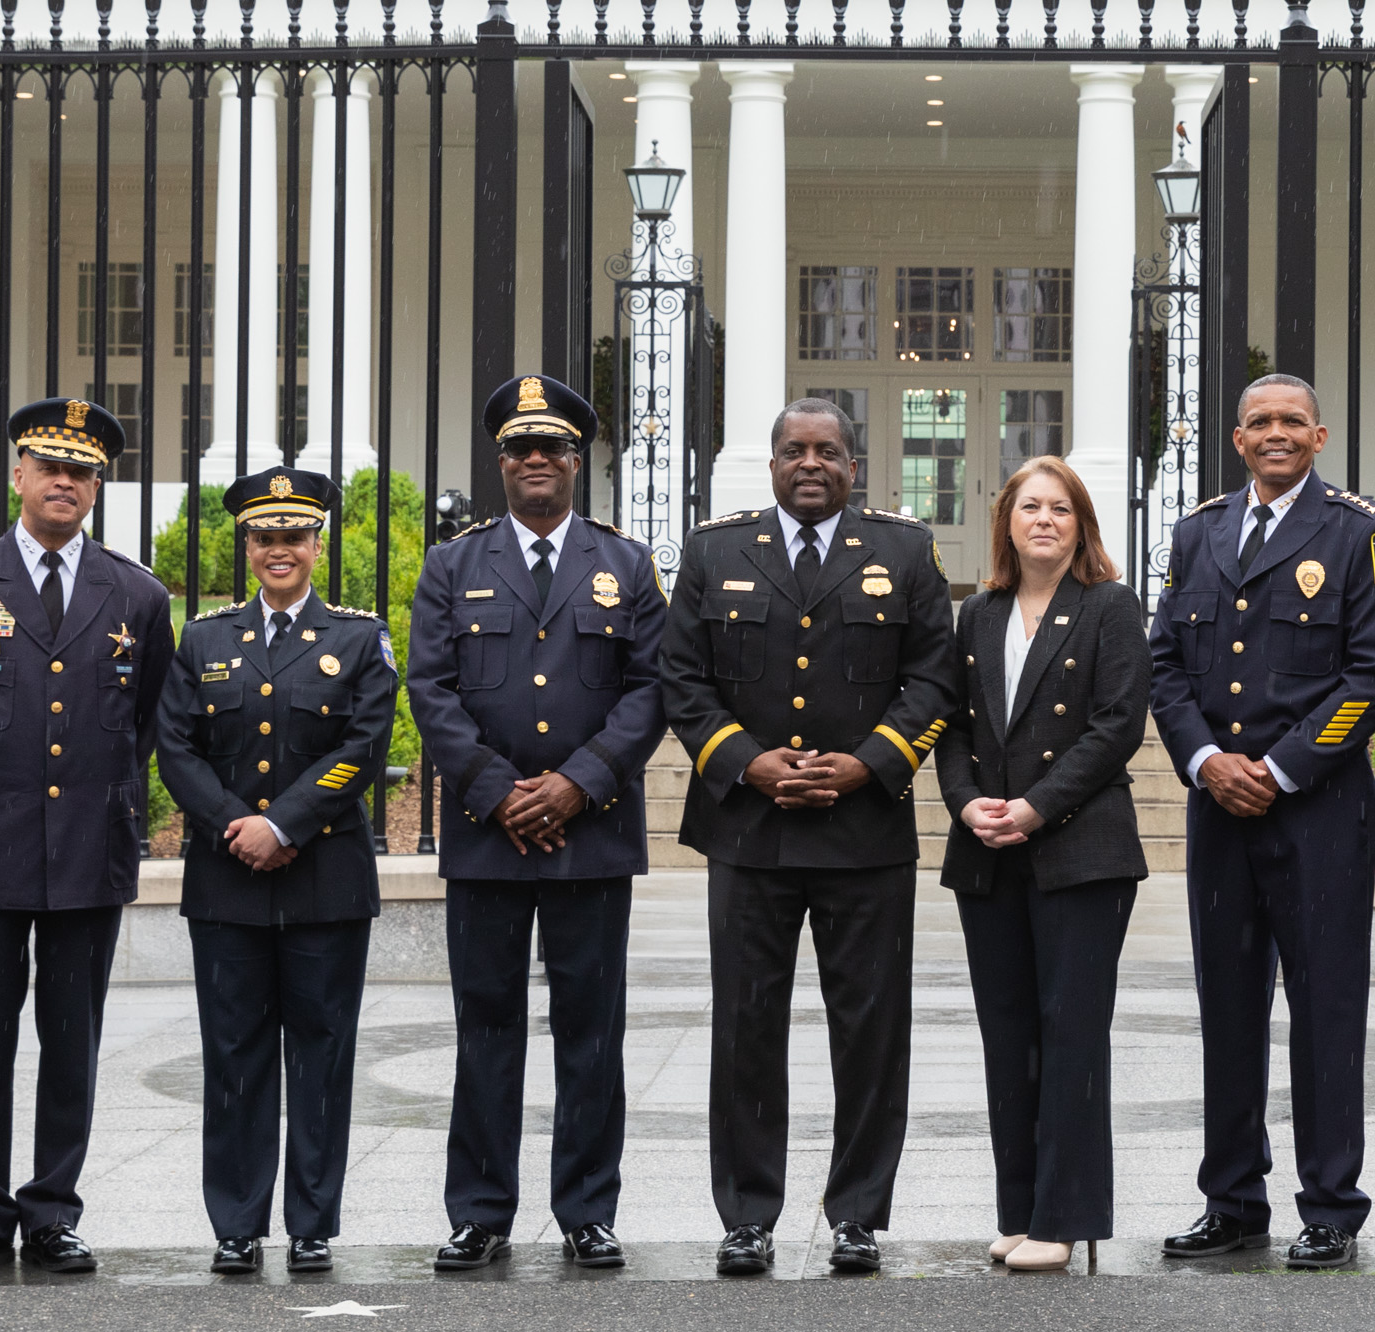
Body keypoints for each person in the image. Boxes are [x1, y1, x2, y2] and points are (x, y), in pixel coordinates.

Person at [658, 396, 963, 1276]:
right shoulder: (716, 549)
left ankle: (858, 1213)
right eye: (794, 450)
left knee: (869, 1030)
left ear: (855, 466)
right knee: (746, 1028)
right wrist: (746, 763)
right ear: (772, 463)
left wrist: (871, 763)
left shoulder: (903, 550)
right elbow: (683, 678)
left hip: (863, 830)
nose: (811, 464)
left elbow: (933, 675)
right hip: (748, 831)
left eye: (828, 451)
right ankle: (748, 1214)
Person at [0, 397, 175, 1277]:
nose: (66, 481)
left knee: (72, 1037)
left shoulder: (136, 593)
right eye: (50, 465)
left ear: (100, 484)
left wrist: (78, 802)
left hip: (88, 849)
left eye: (83, 470)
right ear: (16, 474)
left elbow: (143, 726)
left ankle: (53, 1209)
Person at [1148, 374, 1375, 1268]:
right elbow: (1166, 666)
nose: (1275, 434)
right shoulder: (1199, 530)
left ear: (1320, 434)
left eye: (1291, 422)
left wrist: (1282, 766)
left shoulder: (1363, 531)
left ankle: (1331, 1205)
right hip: (1218, 808)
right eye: (1259, 422)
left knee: (1325, 1009)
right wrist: (1204, 761)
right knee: (1226, 1007)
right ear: (1236, 437)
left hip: (1319, 812)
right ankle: (1232, 1200)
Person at [404, 375, 666, 1272]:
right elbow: (430, 690)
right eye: (520, 448)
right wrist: (495, 790)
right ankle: (480, 1210)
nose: (537, 461)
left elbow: (649, 689)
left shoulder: (626, 565)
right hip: (488, 836)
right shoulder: (453, 567)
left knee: (592, 1030)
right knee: (486, 1027)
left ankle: (588, 1208)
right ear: (502, 463)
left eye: (552, 446)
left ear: (577, 459)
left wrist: (577, 784)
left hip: (590, 834)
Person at [151, 467, 399, 1276]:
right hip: (228, 881)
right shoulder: (205, 639)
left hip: (324, 878)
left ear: (317, 545)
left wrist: (285, 823)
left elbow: (363, 747)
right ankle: (235, 1223)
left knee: (322, 1055)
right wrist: (237, 826)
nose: (279, 549)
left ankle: (313, 1221)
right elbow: (176, 748)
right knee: (234, 1056)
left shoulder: (359, 638)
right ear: (246, 546)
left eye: (295, 535)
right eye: (265, 536)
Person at [939, 457, 1151, 1273]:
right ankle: (1020, 1208)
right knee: (1009, 1034)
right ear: (1007, 520)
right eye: (1030, 506)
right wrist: (966, 804)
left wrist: (1033, 806)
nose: (1045, 521)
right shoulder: (980, 612)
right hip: (989, 850)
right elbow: (952, 726)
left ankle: (1065, 1218)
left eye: (1061, 509)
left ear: (1081, 523)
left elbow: (1116, 727)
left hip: (1080, 850)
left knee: (1070, 1033)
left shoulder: (1110, 607)